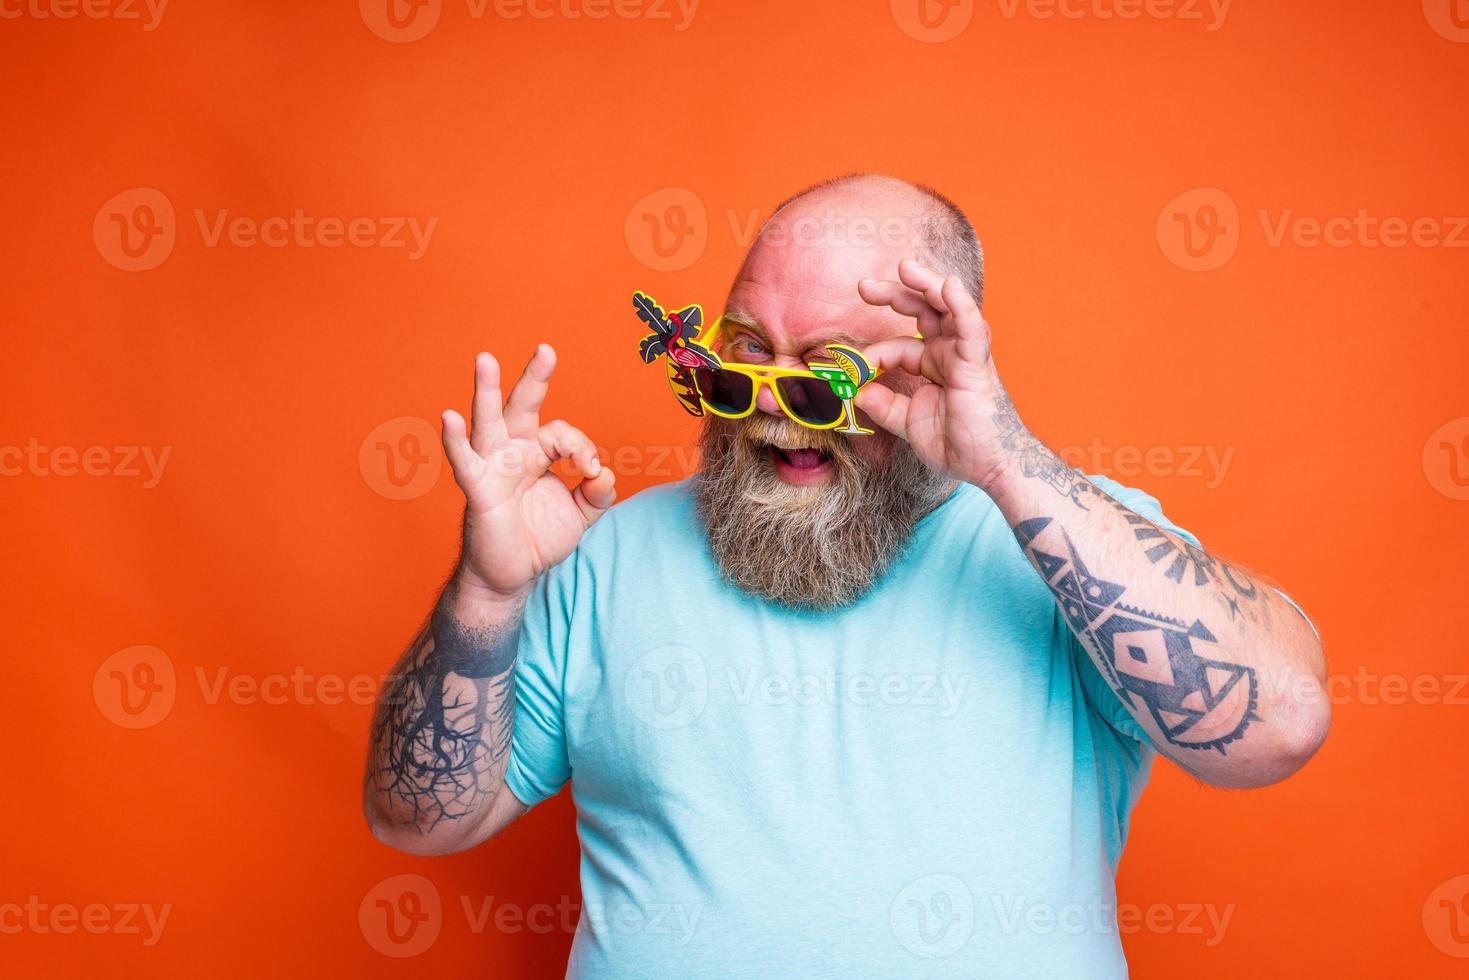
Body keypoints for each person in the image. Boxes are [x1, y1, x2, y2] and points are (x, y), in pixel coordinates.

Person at [363, 174, 1329, 978]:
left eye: (826, 374)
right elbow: (418, 819)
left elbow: (1276, 728)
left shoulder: (1068, 542)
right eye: (743, 357)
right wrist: (489, 593)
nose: (775, 408)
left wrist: (1003, 462)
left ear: (933, 363)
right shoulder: (597, 552)